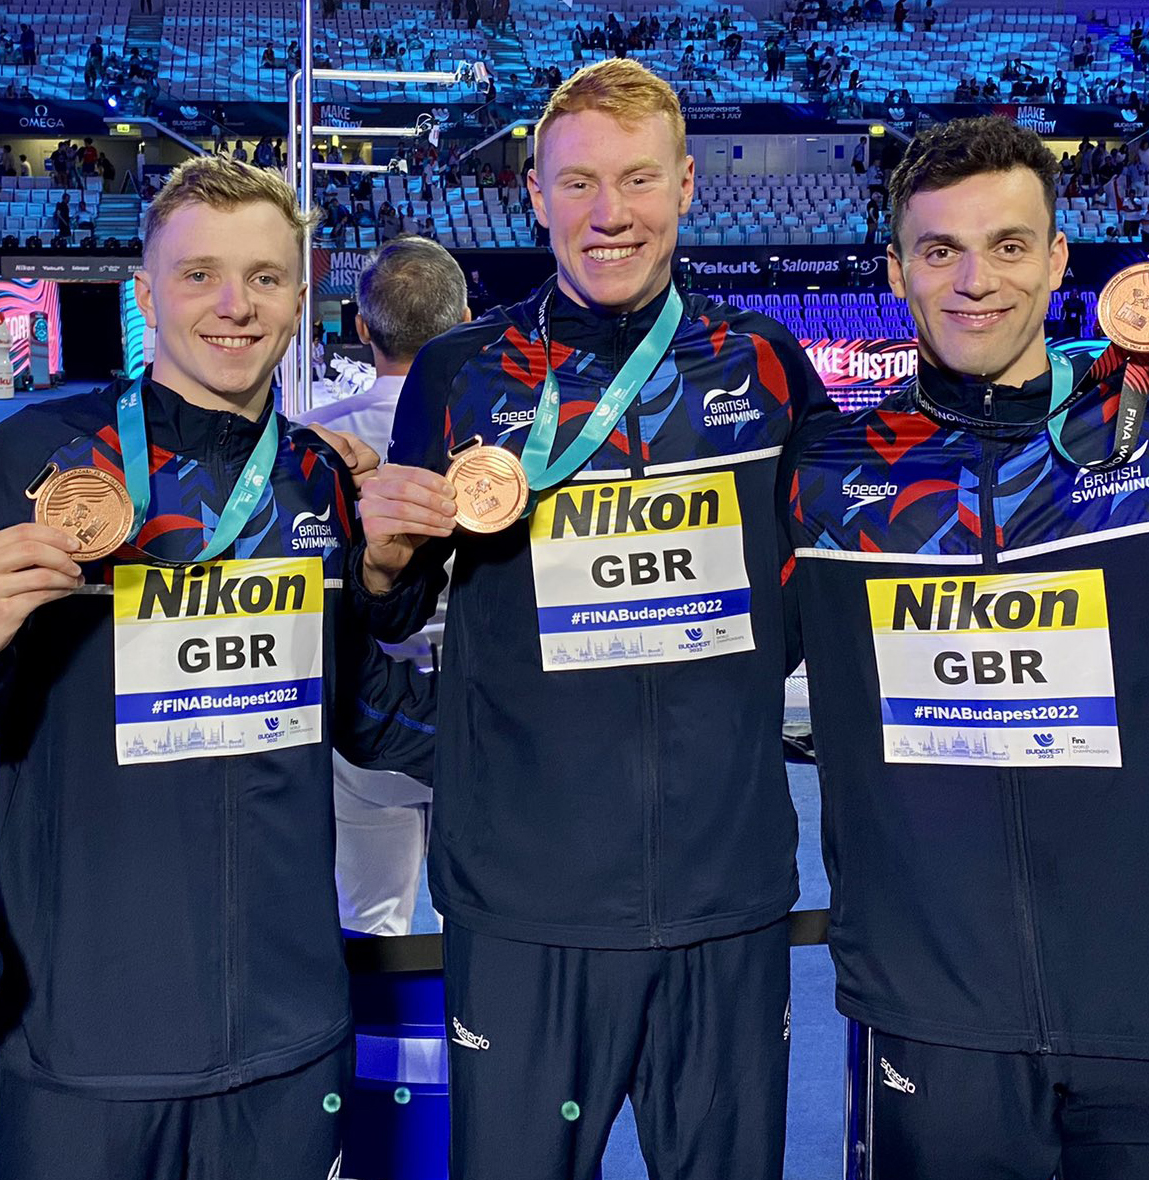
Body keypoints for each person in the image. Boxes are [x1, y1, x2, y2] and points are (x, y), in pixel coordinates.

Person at [786, 114, 1149, 1179]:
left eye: (1005, 246)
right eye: (937, 250)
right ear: (894, 269)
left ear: (1056, 260)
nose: (971, 282)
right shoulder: (827, 474)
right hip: (935, 1018)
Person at [0, 155, 435, 1180]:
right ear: (145, 293)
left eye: (264, 277)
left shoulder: (315, 476)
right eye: (198, 276)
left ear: (299, 299)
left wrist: (538, 742)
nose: (233, 306)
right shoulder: (30, 463)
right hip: (83, 1038)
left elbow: (356, 707)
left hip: (286, 1034)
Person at [352, 59, 833, 1180]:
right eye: (575, 184)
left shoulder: (763, 361)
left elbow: (812, 593)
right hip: (524, 901)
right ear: (532, 192)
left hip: (724, 892)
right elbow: (400, 599)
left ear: (685, 185)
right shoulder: (461, 372)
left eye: (634, 181)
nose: (606, 215)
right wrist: (377, 563)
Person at [300, 237, 471, 935]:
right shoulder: (507, 442)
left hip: (368, 723)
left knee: (371, 925)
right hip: (481, 718)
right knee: (492, 921)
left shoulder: (310, 442)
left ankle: (389, 1050)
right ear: (464, 319)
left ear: (362, 328)